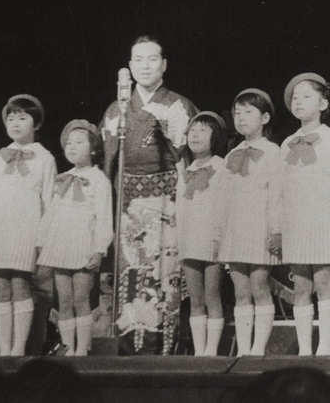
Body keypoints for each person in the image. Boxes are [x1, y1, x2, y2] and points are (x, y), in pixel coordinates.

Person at [100, 35, 197, 355]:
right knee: (132, 273)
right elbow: (108, 163)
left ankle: (165, 350)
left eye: (152, 59)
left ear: (164, 65)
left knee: (165, 274)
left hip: (168, 197)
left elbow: (190, 158)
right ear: (129, 66)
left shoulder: (178, 105)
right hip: (128, 203)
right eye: (138, 60)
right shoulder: (116, 109)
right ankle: (129, 348)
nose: (145, 66)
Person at [0, 94, 56, 356]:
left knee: (20, 285)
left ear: (36, 123)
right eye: (11, 118)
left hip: (26, 227)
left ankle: (19, 348)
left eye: (22, 118)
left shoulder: (44, 158)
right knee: (0, 287)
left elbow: (48, 201)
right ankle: (4, 348)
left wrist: (43, 239)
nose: (16, 124)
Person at [279, 73, 330, 357]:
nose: (298, 102)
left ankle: (325, 349)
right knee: (301, 286)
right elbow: (281, 190)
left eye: (306, 96)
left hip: (323, 218)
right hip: (295, 220)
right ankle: (305, 350)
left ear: (323, 103)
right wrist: (277, 227)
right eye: (295, 98)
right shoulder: (287, 143)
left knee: (323, 283)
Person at [37, 119, 113, 356]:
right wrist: (41, 241)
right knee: (64, 300)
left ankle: (82, 349)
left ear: (93, 149)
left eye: (79, 142)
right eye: (69, 143)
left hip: (83, 244)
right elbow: (51, 213)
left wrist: (99, 249)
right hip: (61, 244)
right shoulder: (63, 178)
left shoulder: (99, 180)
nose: (72, 147)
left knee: (81, 298)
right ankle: (68, 347)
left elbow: (104, 217)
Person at [218, 88, 282, 356]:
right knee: (240, 290)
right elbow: (224, 197)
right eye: (237, 113)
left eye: (248, 112)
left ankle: (259, 349)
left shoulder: (273, 151)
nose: (241, 118)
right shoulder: (231, 154)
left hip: (259, 226)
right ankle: (243, 350)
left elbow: (277, 194)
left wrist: (276, 229)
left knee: (259, 286)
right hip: (236, 229)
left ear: (264, 118)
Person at [175, 111, 228, 356]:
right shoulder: (185, 171)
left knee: (212, 295)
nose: (195, 135)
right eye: (192, 130)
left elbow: (224, 207)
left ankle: (212, 351)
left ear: (215, 137)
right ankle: (199, 352)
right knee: (195, 299)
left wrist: (222, 239)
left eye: (203, 130)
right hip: (190, 241)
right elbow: (180, 209)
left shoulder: (222, 166)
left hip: (212, 240)